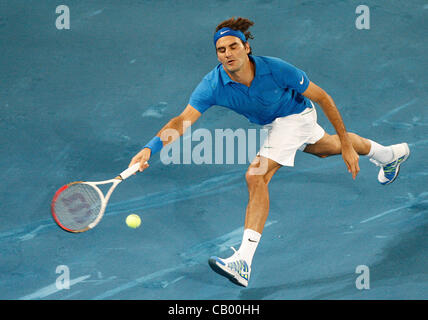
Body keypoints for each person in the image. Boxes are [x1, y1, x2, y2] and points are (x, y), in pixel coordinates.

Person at [128, 17, 410, 287]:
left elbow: (323, 97)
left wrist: (350, 149)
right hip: (274, 125)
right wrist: (150, 148)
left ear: (246, 47)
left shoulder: (276, 69)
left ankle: (243, 261)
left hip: (296, 117)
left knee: (256, 176)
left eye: (233, 46)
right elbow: (182, 120)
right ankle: (389, 154)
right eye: (221, 50)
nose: (227, 54)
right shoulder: (212, 85)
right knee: (326, 149)